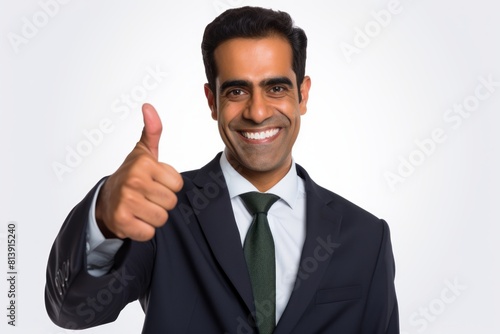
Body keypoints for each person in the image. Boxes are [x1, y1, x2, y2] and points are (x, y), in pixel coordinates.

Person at [45, 6, 399, 334]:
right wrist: (103, 215)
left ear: (302, 95)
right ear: (212, 101)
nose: (258, 112)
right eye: (236, 91)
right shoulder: (160, 213)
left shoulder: (367, 237)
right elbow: (73, 311)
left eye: (276, 88)